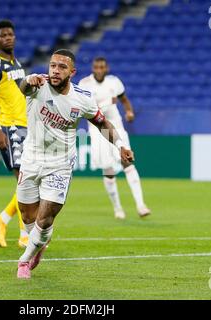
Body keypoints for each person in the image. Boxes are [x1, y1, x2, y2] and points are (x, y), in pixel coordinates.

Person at [15, 49, 135, 279]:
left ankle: (24, 261)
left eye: (62, 67)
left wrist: (120, 145)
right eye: (53, 65)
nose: (55, 70)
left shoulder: (83, 98)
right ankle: (38, 245)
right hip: (31, 158)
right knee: (27, 216)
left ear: (72, 72)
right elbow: (23, 87)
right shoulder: (37, 84)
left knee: (46, 215)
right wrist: (27, 80)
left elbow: (102, 123)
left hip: (60, 163)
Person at [78, 57, 151, 219]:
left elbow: (124, 100)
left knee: (127, 161)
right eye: (96, 67)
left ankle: (141, 205)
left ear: (106, 68)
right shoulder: (84, 84)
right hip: (98, 129)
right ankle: (117, 208)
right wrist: (105, 105)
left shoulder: (114, 82)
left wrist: (129, 112)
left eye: (102, 67)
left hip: (116, 126)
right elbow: (83, 108)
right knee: (109, 170)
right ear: (92, 68)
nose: (99, 70)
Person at [0, 19, 28, 248]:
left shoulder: (17, 64)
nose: (8, 38)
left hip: (24, 126)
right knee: (24, 182)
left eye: (10, 34)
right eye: (2, 35)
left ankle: (1, 220)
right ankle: (25, 236)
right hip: (9, 128)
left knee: (28, 182)